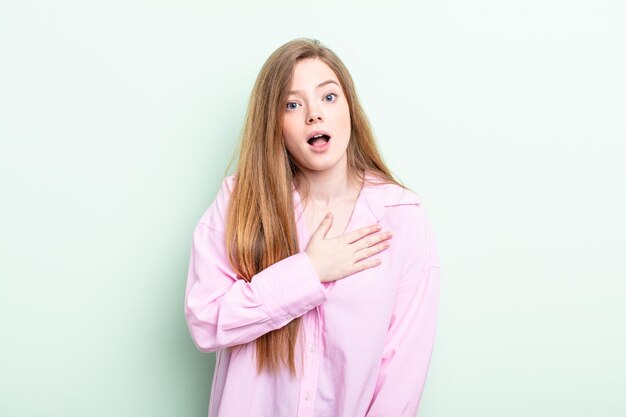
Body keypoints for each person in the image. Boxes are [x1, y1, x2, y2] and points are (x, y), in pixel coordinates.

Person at [184, 38, 440, 417]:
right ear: (275, 124)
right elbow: (206, 320)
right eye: (292, 104)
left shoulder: (401, 216)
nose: (314, 115)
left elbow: (401, 374)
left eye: (329, 97)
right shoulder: (239, 201)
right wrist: (308, 272)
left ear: (350, 108)